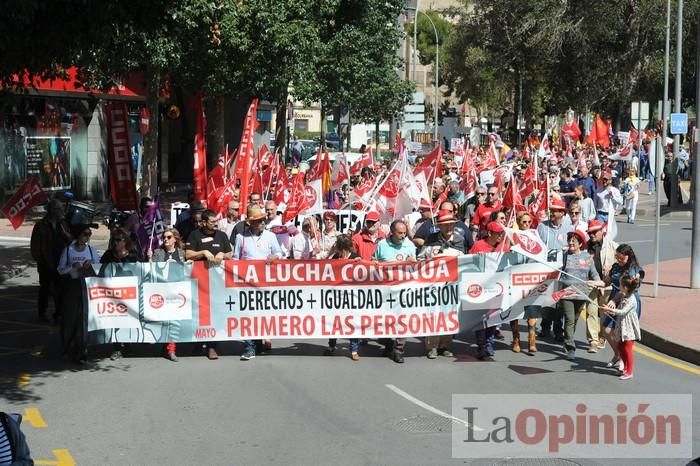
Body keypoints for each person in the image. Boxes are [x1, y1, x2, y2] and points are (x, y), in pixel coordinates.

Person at [233, 206, 283, 361]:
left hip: (265, 283)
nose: (262, 223)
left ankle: (258, 342)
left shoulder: (270, 236)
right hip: (247, 283)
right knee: (249, 315)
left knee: (262, 315)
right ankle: (249, 347)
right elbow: (235, 259)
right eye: (259, 221)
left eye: (262, 220)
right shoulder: (241, 238)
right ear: (252, 223)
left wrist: (274, 257)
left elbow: (280, 253)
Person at [185, 209, 233, 360]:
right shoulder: (195, 235)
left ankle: (213, 345)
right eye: (212, 222)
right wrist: (203, 253)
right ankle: (198, 342)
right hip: (200, 279)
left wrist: (222, 254)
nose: (215, 224)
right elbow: (188, 254)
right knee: (200, 312)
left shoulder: (222, 235)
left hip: (218, 280)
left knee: (216, 311)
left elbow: (230, 254)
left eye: (216, 221)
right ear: (204, 222)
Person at [372, 220, 417, 364]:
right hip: (385, 291)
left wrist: (413, 261)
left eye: (405, 233)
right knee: (384, 320)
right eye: (400, 233)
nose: (403, 236)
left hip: (403, 290)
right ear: (392, 232)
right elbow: (373, 263)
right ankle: (387, 342)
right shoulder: (382, 245)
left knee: (402, 319)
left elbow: (416, 268)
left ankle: (399, 349)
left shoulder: (409, 245)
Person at [57, 223, 100, 364]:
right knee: (70, 319)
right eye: (85, 234)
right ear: (78, 235)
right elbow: (60, 270)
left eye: (89, 234)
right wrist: (71, 267)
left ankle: (82, 351)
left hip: (87, 286)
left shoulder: (91, 251)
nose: (87, 237)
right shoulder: (68, 251)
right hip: (72, 287)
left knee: (83, 319)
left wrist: (92, 263)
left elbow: (100, 269)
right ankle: (68, 348)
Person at [559, 230, 604, 361]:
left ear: (580, 243)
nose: (571, 243)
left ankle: (567, 340)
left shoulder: (587, 257)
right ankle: (570, 347)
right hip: (567, 293)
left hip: (582, 294)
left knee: (575, 319)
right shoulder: (563, 256)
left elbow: (594, 273)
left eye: (574, 240)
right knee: (569, 319)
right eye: (569, 240)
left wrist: (598, 282)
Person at [100, 228, 144, 361]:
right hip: (113, 295)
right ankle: (117, 348)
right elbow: (100, 270)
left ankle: (129, 346)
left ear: (125, 241)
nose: (115, 243)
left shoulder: (133, 254)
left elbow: (143, 269)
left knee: (129, 319)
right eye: (114, 240)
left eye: (119, 240)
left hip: (130, 293)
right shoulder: (108, 255)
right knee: (115, 320)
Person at [602, 244, 644, 372]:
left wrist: (614, 301)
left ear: (628, 256)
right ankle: (618, 354)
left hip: (627, 301)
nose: (618, 259)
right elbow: (607, 282)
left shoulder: (633, 269)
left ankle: (625, 361)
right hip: (614, 298)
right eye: (617, 256)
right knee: (607, 329)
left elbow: (626, 290)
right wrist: (597, 282)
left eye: (621, 257)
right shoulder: (615, 266)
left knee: (624, 333)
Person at [147, 227, 187, 362]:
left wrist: (188, 264)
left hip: (177, 291)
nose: (165, 239)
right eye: (164, 237)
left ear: (175, 239)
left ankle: (171, 349)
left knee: (173, 321)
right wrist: (150, 259)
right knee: (164, 321)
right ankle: (164, 345)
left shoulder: (182, 253)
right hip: (161, 290)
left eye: (169, 237)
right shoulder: (158, 252)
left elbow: (187, 270)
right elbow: (151, 270)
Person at [536, 197, 573, 341]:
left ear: (562, 213)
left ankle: (558, 329)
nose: (552, 213)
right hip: (547, 269)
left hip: (562, 270)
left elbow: (573, 247)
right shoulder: (542, 226)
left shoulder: (568, 228)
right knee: (546, 299)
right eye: (551, 210)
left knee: (559, 301)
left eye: (555, 211)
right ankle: (545, 327)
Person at [30, 198, 72, 323]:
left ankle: (58, 313)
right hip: (46, 263)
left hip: (61, 262)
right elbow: (35, 246)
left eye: (61, 208)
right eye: (59, 209)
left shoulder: (63, 224)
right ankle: (42, 312)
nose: (61, 211)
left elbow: (71, 242)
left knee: (60, 289)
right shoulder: (40, 226)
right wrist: (41, 261)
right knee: (45, 288)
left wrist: (67, 235)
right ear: (51, 211)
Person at [324, 234, 361, 360]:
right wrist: (330, 253)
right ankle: (332, 345)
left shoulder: (356, 257)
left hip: (352, 296)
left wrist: (358, 263)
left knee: (352, 322)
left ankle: (354, 350)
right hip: (336, 296)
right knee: (334, 322)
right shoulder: (335, 257)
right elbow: (323, 267)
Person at [585, 219, 618, 353]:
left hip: (606, 285)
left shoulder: (612, 246)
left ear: (601, 231)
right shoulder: (586, 247)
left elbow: (621, 262)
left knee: (604, 312)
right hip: (591, 283)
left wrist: (611, 267)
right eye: (590, 233)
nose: (592, 235)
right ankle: (592, 341)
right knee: (591, 312)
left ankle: (602, 336)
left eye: (594, 232)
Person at [601, 275, 641, 380]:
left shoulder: (632, 299)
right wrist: (609, 310)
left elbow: (623, 311)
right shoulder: (625, 297)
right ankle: (625, 369)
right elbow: (619, 308)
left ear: (626, 288)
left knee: (627, 349)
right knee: (620, 347)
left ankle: (629, 371)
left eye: (621, 286)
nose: (619, 287)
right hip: (622, 326)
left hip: (629, 328)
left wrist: (612, 311)